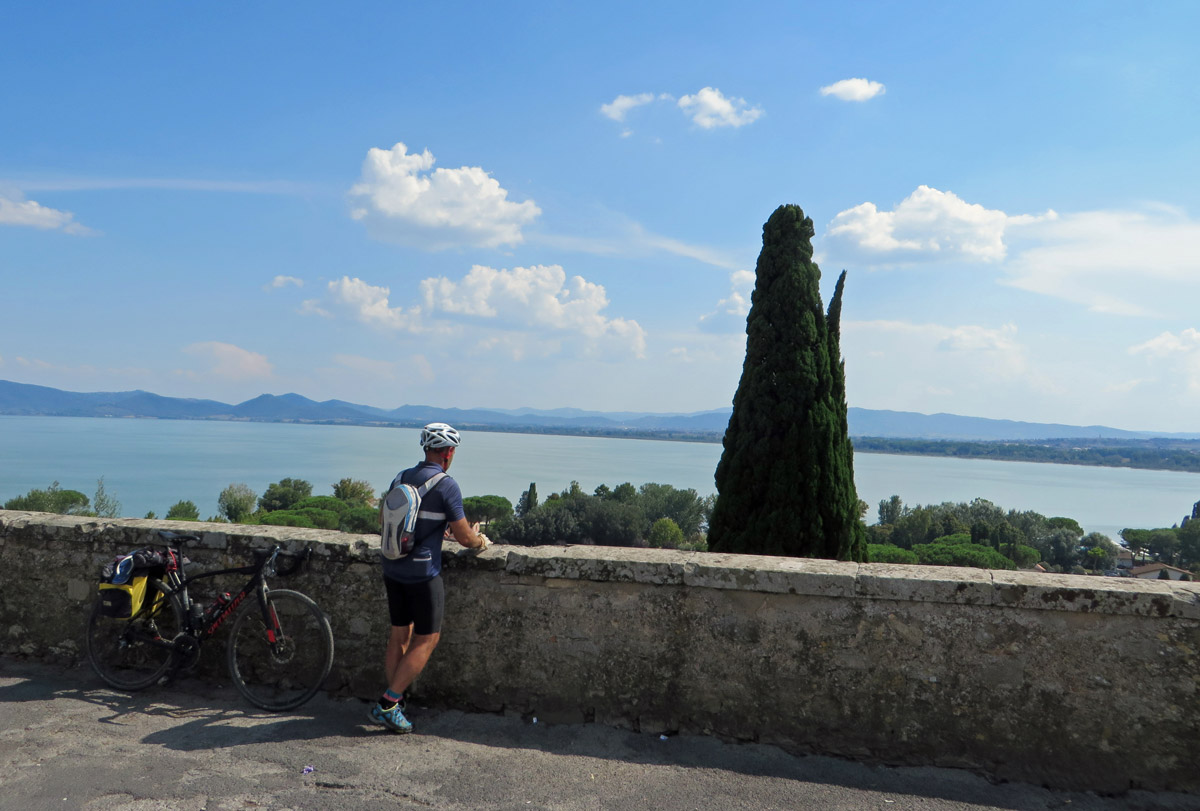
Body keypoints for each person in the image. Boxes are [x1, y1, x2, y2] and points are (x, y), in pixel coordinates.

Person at [368, 422, 490, 733]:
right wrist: (479, 540)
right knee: (427, 639)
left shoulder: (401, 477)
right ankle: (388, 703)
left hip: (392, 567)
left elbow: (384, 519)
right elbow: (464, 537)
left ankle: (396, 702)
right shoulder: (446, 485)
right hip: (423, 574)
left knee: (399, 636)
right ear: (448, 453)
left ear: (426, 449)